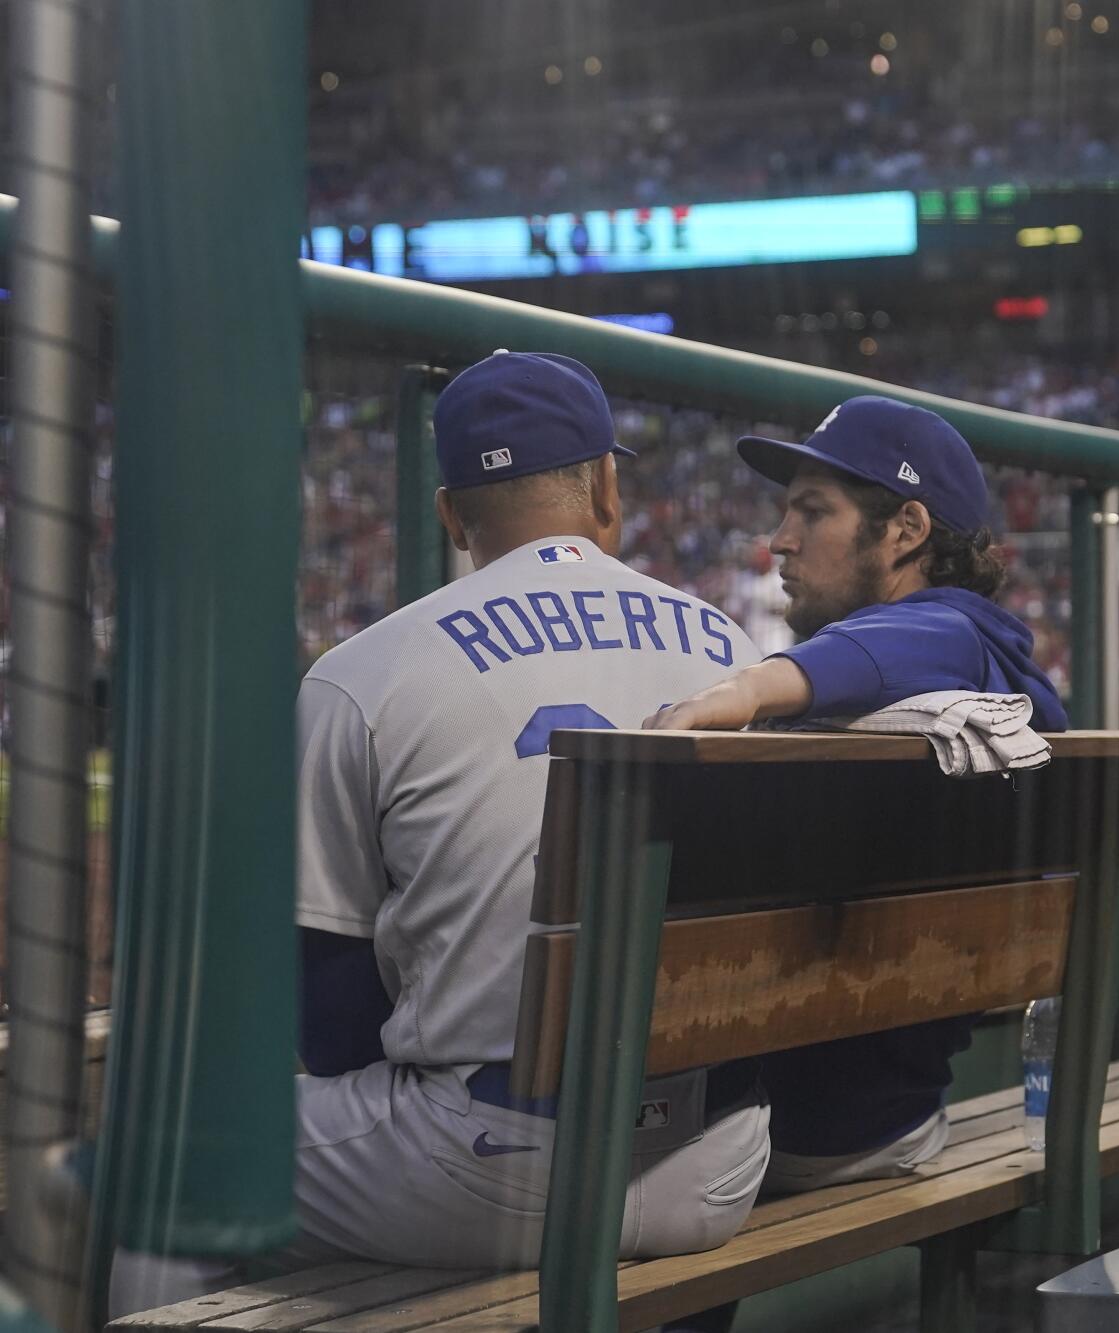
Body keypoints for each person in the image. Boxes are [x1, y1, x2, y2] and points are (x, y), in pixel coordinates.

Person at [112, 352, 771, 1314]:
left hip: (497, 1168)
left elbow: (331, 1027)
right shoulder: (731, 647)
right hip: (716, 1162)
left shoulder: (363, 670)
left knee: (159, 1152)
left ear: (450, 515)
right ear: (608, 489)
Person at [645, 395, 1067, 1193]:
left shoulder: (954, 635)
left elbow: (900, 642)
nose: (780, 540)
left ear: (907, 530)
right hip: (881, 1109)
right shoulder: (986, 664)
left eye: (812, 512)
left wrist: (746, 690)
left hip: (818, 1127)